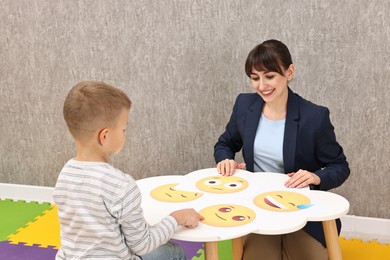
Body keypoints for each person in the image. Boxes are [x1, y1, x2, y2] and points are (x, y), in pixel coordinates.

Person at [214, 40, 350, 260]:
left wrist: (315, 176)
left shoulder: (314, 117)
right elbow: (225, 144)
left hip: (304, 211)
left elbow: (340, 166)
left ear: (289, 72)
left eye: (269, 76)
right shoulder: (244, 105)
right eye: (255, 78)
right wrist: (225, 159)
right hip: (259, 209)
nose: (261, 86)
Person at [53, 81, 203, 260]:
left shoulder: (64, 175)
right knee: (173, 252)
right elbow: (143, 244)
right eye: (124, 129)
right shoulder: (121, 185)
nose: (125, 133)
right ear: (105, 136)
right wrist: (176, 218)